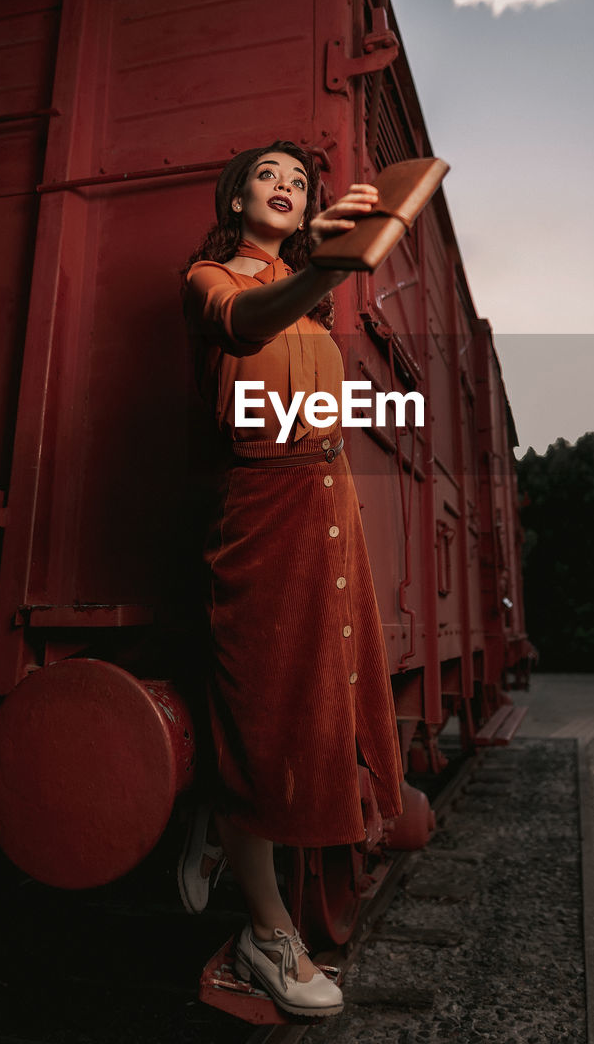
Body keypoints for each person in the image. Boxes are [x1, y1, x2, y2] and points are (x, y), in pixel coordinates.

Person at [179, 140, 404, 1018]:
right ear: (236, 199)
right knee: (268, 709)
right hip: (262, 516)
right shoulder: (209, 279)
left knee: (314, 700)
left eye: (299, 179)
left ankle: (219, 817)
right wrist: (333, 262)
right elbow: (246, 324)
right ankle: (264, 937)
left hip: (325, 509)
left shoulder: (311, 318)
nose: (285, 186)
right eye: (266, 176)